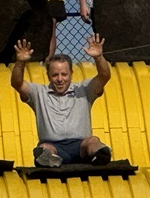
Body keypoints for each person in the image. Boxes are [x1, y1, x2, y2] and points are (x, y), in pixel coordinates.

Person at [11, 36, 113, 167]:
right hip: (53, 146)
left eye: (64, 74)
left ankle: (101, 155)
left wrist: (99, 57)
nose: (60, 79)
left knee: (93, 141)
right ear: (48, 76)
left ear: (71, 73)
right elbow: (17, 83)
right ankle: (49, 159)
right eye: (55, 75)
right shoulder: (38, 93)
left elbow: (104, 76)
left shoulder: (84, 89)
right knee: (44, 148)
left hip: (81, 145)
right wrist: (20, 62)